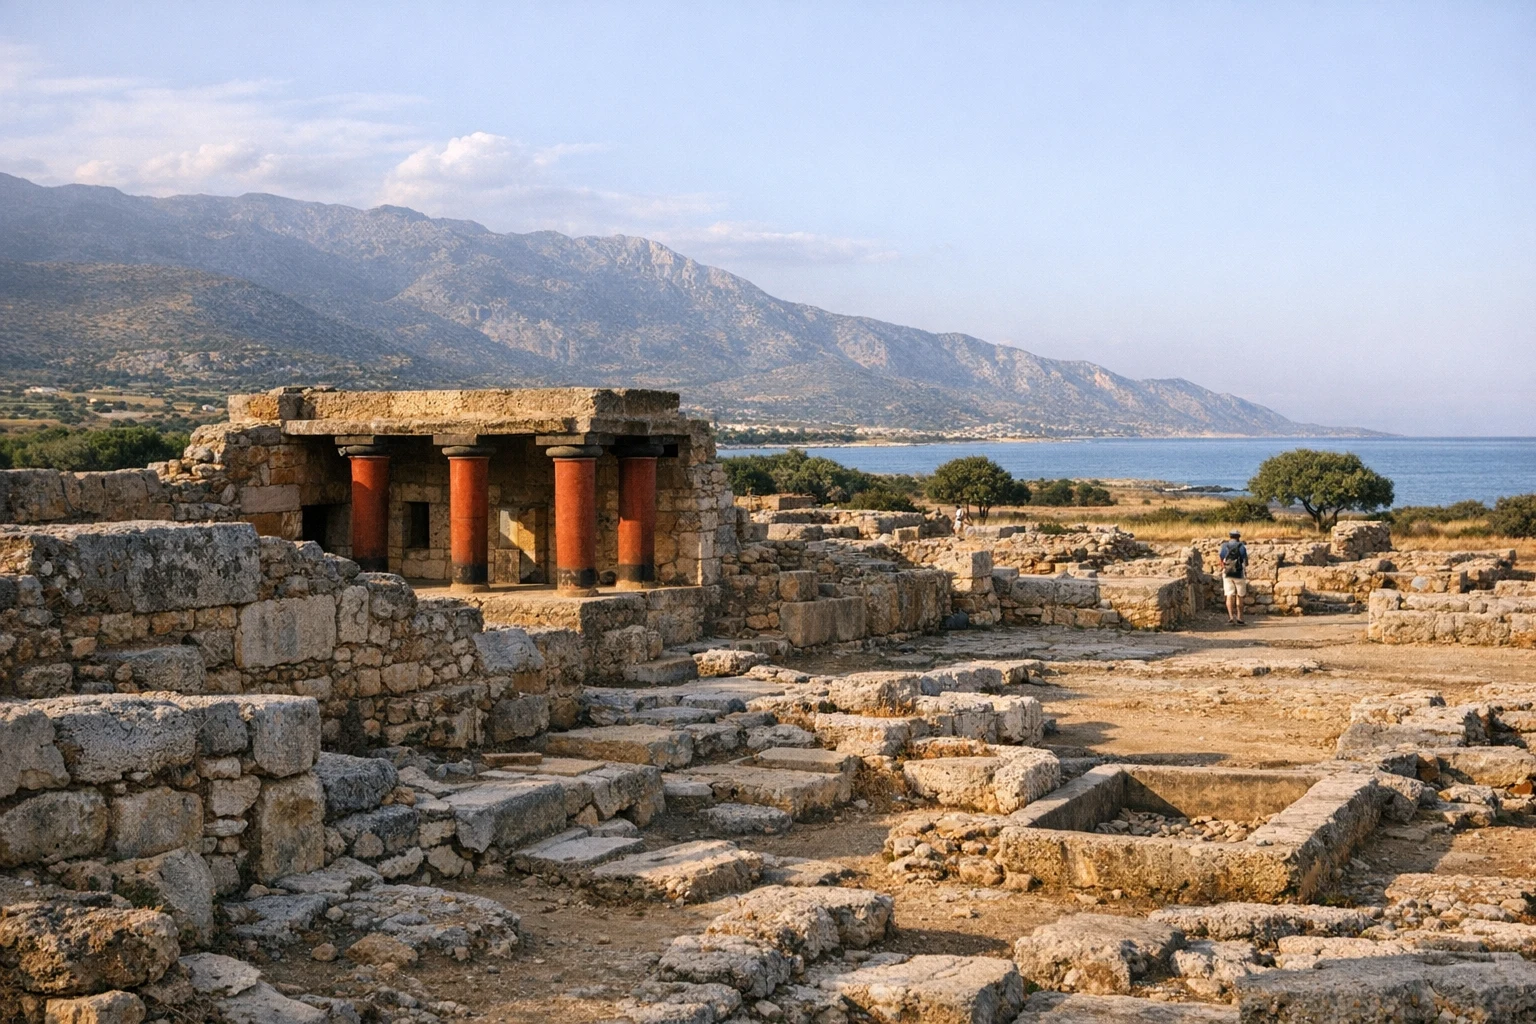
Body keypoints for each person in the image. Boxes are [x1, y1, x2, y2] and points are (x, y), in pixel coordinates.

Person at [1219, 529, 1249, 625]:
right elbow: (1245, 562)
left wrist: (1224, 567)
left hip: (1227, 573)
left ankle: (1231, 617)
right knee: (1239, 596)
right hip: (1239, 573)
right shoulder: (1242, 547)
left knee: (1229, 595)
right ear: (1238, 537)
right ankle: (1240, 618)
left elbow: (1221, 559)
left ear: (1230, 536)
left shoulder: (1224, 546)